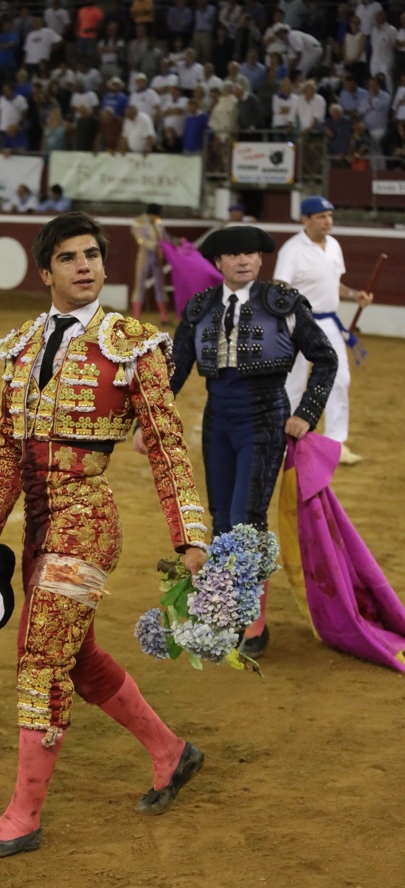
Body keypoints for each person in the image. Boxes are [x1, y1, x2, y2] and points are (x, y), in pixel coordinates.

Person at [0, 211, 208, 860]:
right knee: (80, 659)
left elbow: (166, 446)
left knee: (41, 660)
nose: (87, 265)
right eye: (69, 257)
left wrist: (190, 534)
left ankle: (22, 818)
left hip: (88, 524)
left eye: (93, 254)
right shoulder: (21, 346)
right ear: (46, 271)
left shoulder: (133, 343)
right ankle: (171, 751)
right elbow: (10, 447)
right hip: (39, 529)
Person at [134, 225, 338, 658]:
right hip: (218, 417)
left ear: (261, 260)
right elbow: (177, 370)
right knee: (222, 514)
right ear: (219, 263)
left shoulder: (283, 304)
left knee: (247, 517)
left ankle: (254, 622)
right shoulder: (201, 307)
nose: (244, 260)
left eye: (250, 253)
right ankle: (229, 610)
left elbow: (325, 356)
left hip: (264, 416)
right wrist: (149, 422)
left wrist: (307, 413)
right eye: (234, 255)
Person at [273, 196, 373, 465]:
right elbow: (279, 287)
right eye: (320, 216)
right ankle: (284, 442)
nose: (328, 221)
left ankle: (336, 442)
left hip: (329, 323)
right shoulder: (292, 250)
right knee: (291, 384)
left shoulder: (334, 246)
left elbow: (334, 284)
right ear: (305, 220)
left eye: (329, 215)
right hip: (296, 323)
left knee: (339, 380)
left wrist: (355, 294)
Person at [131, 203, 170, 324]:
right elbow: (140, 240)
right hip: (144, 256)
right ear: (151, 214)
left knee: (160, 285)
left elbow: (164, 237)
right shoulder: (139, 221)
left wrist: (173, 243)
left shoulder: (157, 222)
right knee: (140, 285)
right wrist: (156, 246)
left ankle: (164, 317)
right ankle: (136, 318)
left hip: (157, 257)